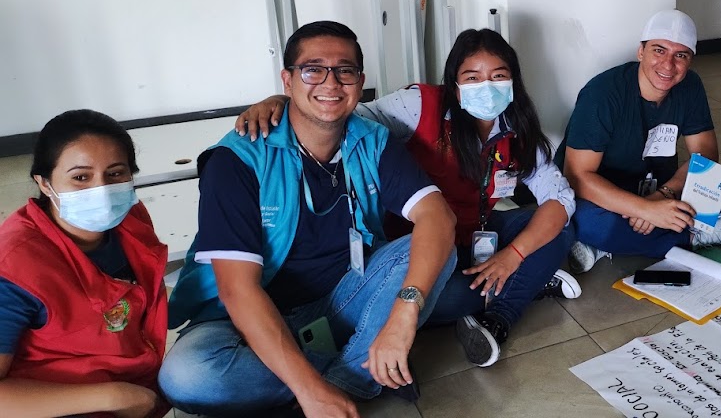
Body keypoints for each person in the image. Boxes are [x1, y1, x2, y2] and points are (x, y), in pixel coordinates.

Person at [159, 21, 457, 417]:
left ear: (360, 81)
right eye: (313, 70)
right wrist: (309, 389)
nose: (331, 83)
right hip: (245, 319)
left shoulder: (372, 140)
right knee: (187, 375)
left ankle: (343, 382)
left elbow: (437, 216)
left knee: (434, 247)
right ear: (287, 80)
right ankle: (356, 371)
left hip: (340, 301)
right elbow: (238, 291)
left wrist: (405, 311)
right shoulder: (237, 160)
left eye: (344, 71)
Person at [235, 28, 579, 369]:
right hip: (419, 247)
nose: (486, 88)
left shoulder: (516, 127)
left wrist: (513, 256)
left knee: (560, 226)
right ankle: (524, 285)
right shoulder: (420, 105)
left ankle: (497, 316)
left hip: (476, 232)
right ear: (454, 85)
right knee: (448, 294)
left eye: (498, 76)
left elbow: (559, 197)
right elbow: (342, 114)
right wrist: (283, 101)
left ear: (513, 81)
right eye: (472, 77)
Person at [0, 110, 169, 418]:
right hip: (55, 402)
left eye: (116, 174)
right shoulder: (13, 268)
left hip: (134, 384)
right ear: (44, 183)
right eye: (80, 177)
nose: (101, 191)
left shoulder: (130, 220)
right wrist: (114, 396)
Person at [561, 9, 721, 273]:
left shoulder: (690, 86)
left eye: (680, 55)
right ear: (641, 52)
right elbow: (577, 177)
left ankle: (611, 244)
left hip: (657, 185)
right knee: (589, 222)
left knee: (711, 185)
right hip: (602, 192)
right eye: (659, 50)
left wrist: (661, 197)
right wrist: (646, 210)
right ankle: (692, 237)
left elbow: (706, 155)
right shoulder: (602, 93)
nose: (668, 65)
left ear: (690, 60)